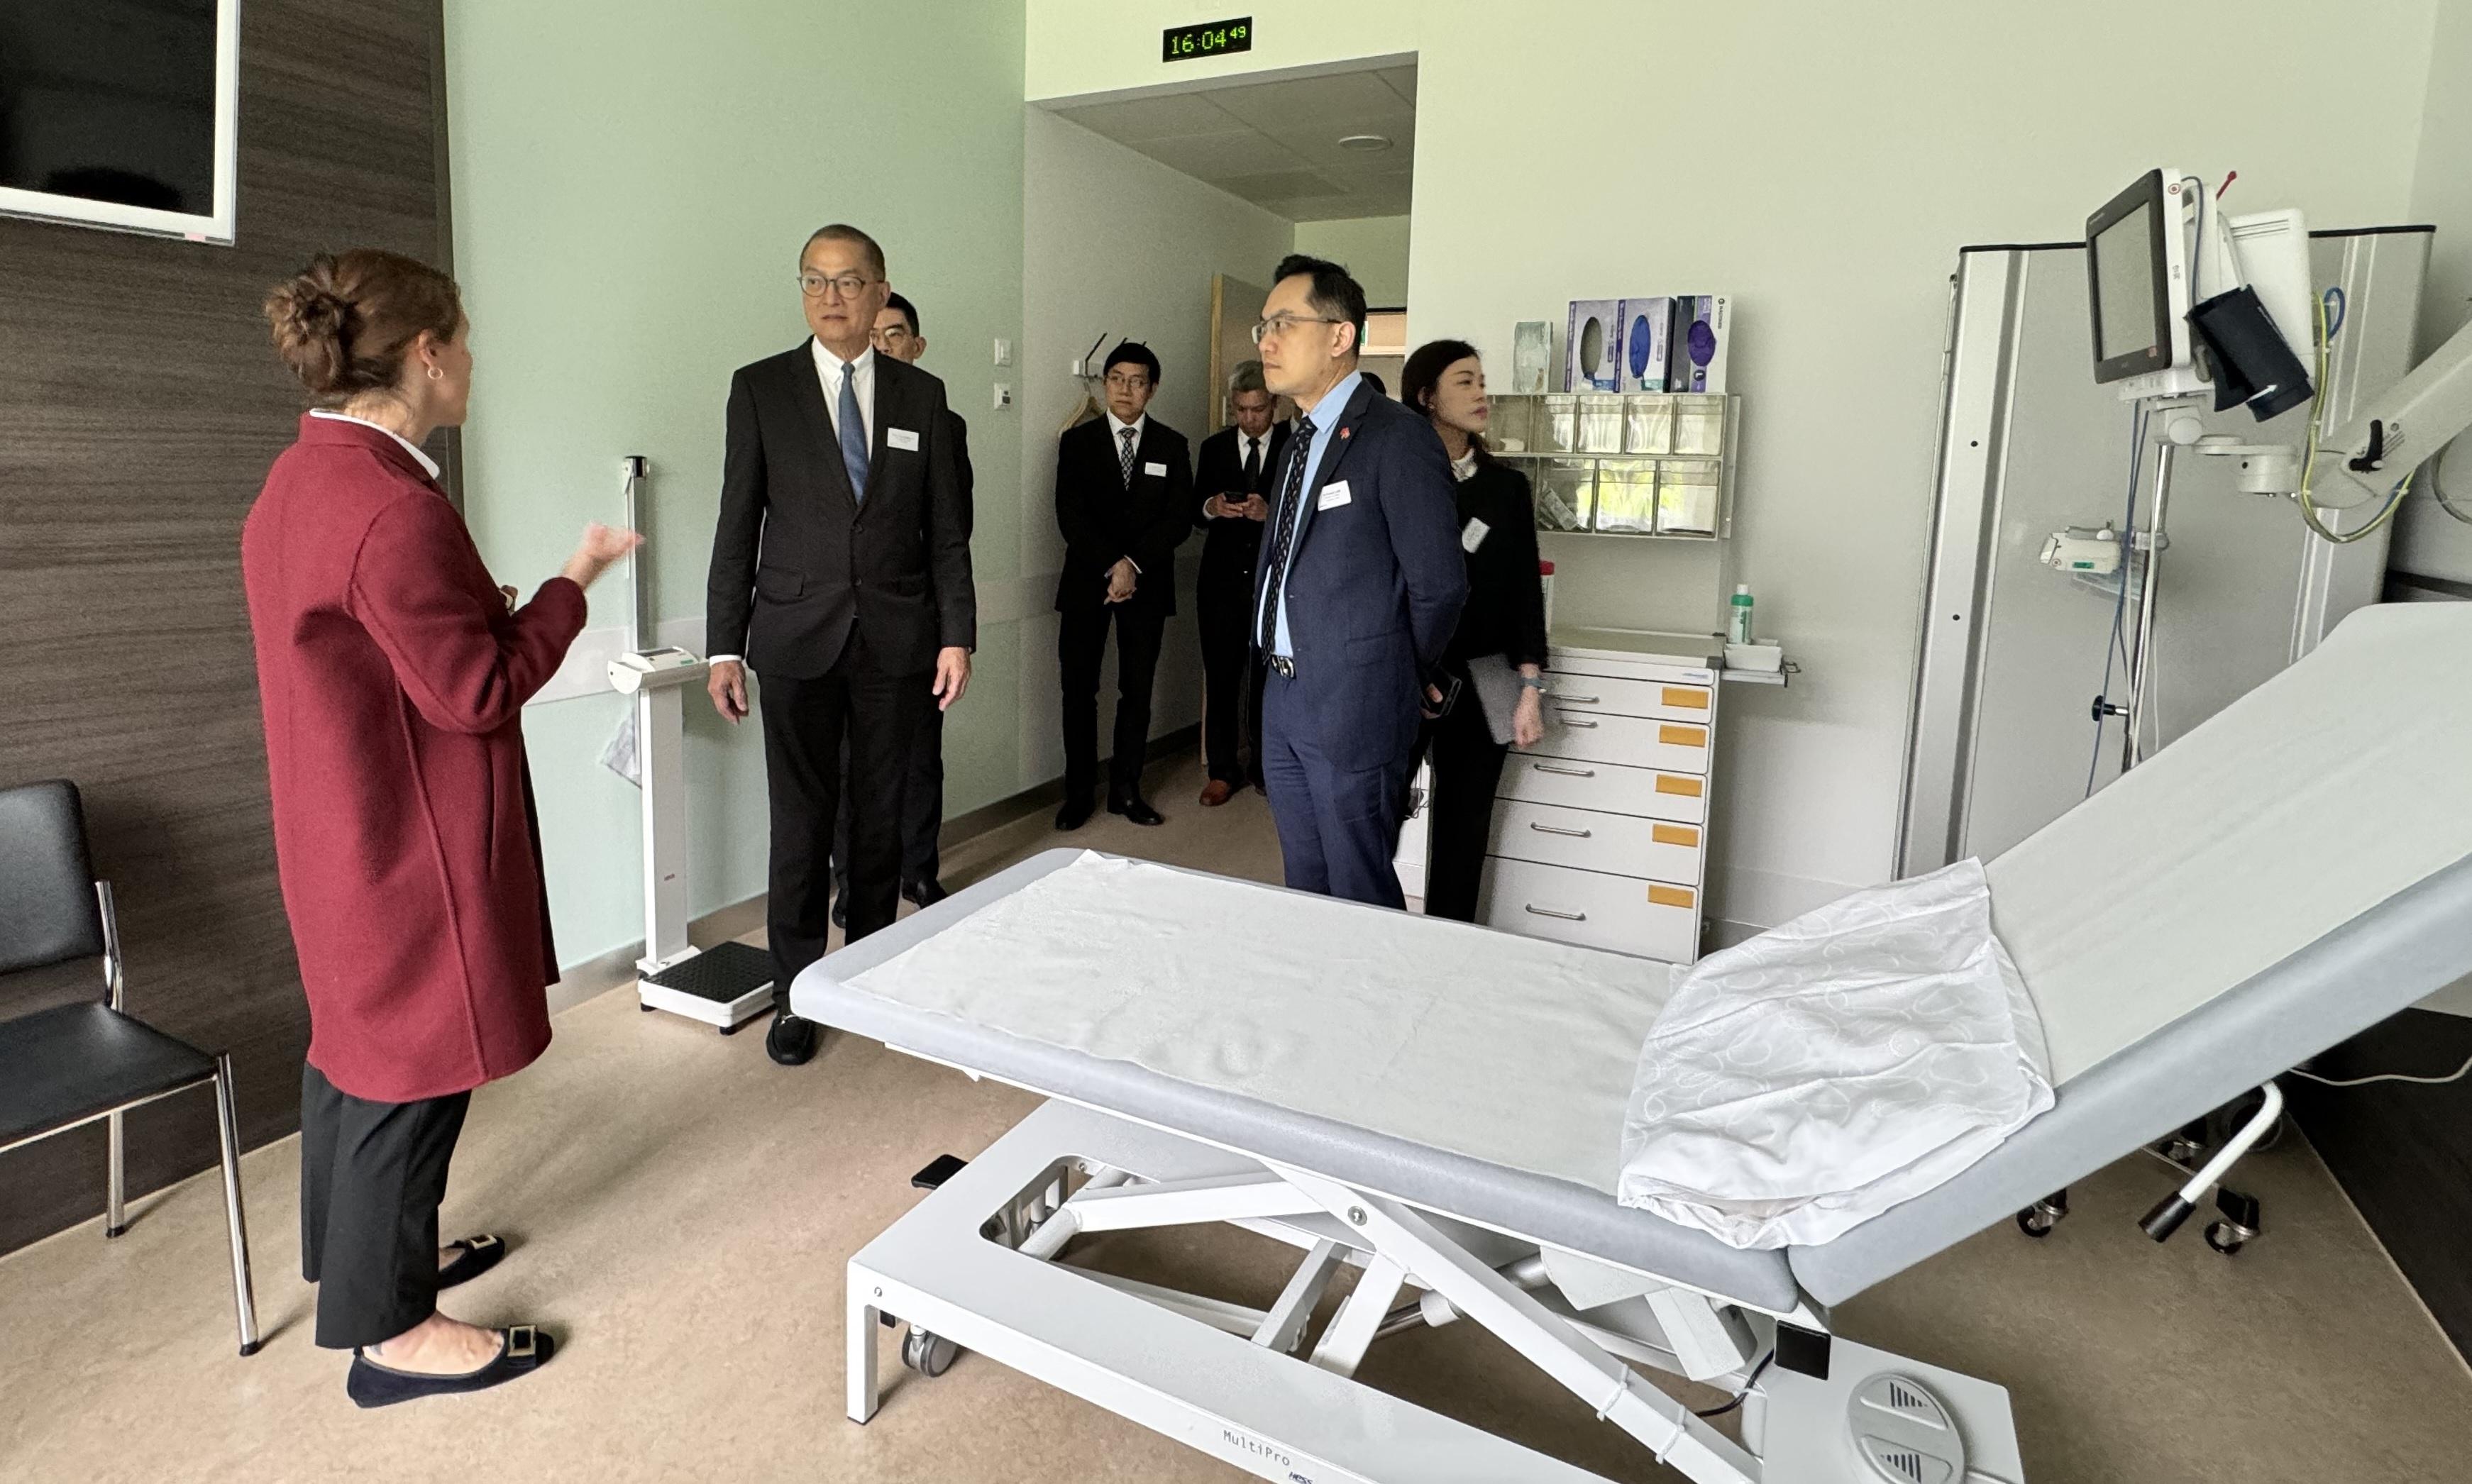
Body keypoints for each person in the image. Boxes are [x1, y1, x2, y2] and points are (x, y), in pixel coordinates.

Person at [244, 248, 639, 1405]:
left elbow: (377, 656)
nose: (470, 363)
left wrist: (478, 616)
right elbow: (474, 694)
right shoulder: (390, 510)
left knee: (350, 1061)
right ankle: (391, 1331)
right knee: (410, 1081)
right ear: (425, 354)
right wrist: (572, 582)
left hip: (337, 832)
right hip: (404, 851)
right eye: (461, 340)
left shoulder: (298, 482)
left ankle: (362, 1265)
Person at [705, 225, 975, 1068]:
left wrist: (957, 634)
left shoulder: (920, 396)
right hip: (792, 637)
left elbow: (945, 536)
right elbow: (736, 521)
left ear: (880, 291)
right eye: (813, 282)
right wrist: (722, 644)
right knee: (801, 821)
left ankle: (866, 969)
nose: (829, 297)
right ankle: (796, 992)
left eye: (848, 282)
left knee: (878, 820)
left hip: (896, 638)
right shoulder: (761, 389)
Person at [1251, 255, 1467, 906]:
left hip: (1355, 700)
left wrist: (1394, 670)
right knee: (1305, 885)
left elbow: (1440, 584)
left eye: (1284, 323)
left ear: (1340, 336)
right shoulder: (1297, 442)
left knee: (1359, 888)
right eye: (1263, 325)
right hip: (1281, 694)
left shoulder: (1396, 438)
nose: (1266, 339)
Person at [827, 291, 971, 925]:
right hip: (842, 624)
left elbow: (952, 530)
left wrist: (952, 630)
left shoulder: (941, 417)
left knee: (918, 758)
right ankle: (849, 879)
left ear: (917, 345)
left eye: (897, 334)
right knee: (847, 763)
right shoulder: (831, 413)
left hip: (916, 620)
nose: (884, 344)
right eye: (876, 334)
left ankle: (920, 870)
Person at [1401, 339, 1550, 921]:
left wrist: (1531, 689)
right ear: (1426, 397)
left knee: (1466, 831)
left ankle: (1449, 943)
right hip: (1408, 672)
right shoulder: (1401, 477)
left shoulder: (1505, 489)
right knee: (1376, 814)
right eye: (1465, 382)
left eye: (1481, 380)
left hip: (1488, 673)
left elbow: (1523, 595)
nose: (1481, 393)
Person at [1052, 341, 1193, 829]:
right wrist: (1113, 564)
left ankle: (1126, 791)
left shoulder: (1172, 446)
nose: (1125, 389)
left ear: (1152, 389)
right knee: (1078, 692)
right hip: (1086, 583)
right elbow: (1070, 515)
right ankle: (1077, 794)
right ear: (1105, 383)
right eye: (1116, 378)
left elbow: (1178, 520)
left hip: (1147, 585)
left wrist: (1133, 564)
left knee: (1137, 691)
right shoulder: (1077, 442)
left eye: (1136, 381)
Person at [1192, 360, 1288, 806]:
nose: (1250, 420)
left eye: (1259, 410)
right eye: (1242, 410)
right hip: (1221, 582)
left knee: (1270, 679)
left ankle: (1268, 767)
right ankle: (1222, 770)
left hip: (1274, 582)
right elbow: (1193, 513)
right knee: (1222, 676)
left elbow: (1310, 515)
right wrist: (1213, 506)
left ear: (1276, 404)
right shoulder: (1213, 448)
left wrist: (1268, 515)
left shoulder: (1294, 445)